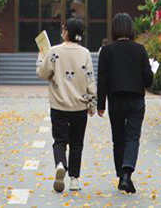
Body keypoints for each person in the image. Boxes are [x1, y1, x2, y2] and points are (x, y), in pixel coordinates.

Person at [37, 17, 96, 193]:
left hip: (59, 105)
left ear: (66, 32)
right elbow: (90, 80)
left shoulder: (54, 51)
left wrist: (41, 58)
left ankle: (60, 164)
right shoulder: (85, 53)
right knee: (77, 143)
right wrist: (92, 103)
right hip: (79, 106)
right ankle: (74, 180)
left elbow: (43, 73)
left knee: (59, 141)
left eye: (64, 29)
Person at [96, 13, 154, 194]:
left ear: (114, 29)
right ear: (130, 28)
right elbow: (148, 80)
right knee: (133, 137)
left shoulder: (107, 51)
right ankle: (127, 174)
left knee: (118, 138)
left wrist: (100, 104)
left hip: (115, 100)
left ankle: (122, 175)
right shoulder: (140, 49)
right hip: (136, 100)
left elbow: (102, 79)